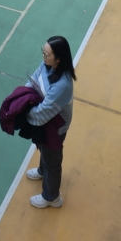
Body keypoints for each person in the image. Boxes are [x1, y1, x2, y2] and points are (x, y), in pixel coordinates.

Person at [25, 36, 76, 209]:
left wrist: (24, 112)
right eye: (43, 52)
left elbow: (42, 114)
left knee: (52, 161)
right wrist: (24, 98)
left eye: (47, 54)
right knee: (45, 151)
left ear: (59, 58)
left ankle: (52, 197)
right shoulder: (47, 65)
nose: (44, 57)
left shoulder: (62, 85)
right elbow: (33, 81)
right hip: (47, 123)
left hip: (56, 128)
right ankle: (42, 170)